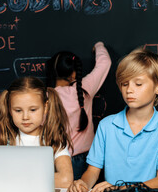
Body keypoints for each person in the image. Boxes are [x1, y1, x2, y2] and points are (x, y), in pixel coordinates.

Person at [67, 47, 158, 192]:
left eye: (138, 84)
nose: (129, 90)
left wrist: (120, 189)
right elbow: (93, 171)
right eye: (125, 84)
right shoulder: (107, 125)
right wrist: (82, 184)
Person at [0, 76, 73, 188]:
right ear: (9, 109)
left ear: (45, 107)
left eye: (33, 110)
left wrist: (12, 177)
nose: (25, 117)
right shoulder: (0, 136)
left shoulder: (54, 139)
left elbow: (66, 180)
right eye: (18, 110)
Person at [46, 42, 111, 180]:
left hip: (57, 159)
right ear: (73, 74)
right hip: (87, 159)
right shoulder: (84, 89)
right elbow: (105, 63)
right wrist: (99, 45)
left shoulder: (46, 96)